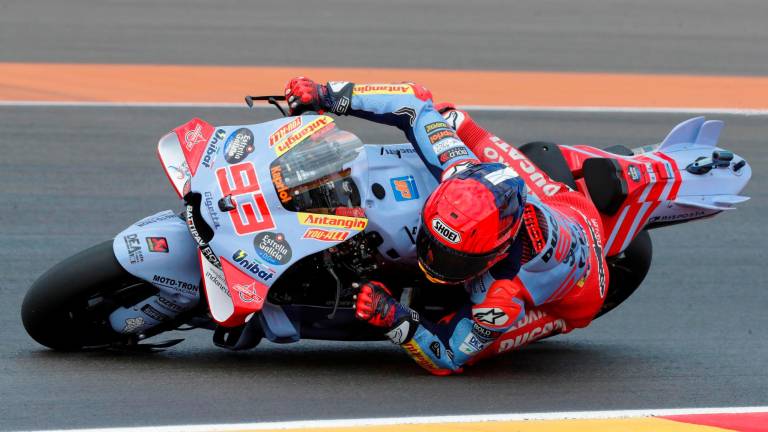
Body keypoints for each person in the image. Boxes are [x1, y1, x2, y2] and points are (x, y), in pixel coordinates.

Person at [284, 77, 608, 375]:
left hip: (583, 290)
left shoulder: (499, 296)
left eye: (454, 258)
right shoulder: (460, 167)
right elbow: (413, 102)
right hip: (558, 202)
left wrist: (395, 318)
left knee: (478, 348)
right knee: (448, 117)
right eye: (433, 245)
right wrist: (328, 95)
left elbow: (449, 355)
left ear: (494, 255)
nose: (433, 260)